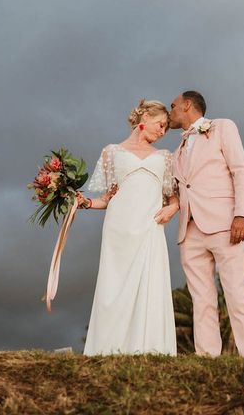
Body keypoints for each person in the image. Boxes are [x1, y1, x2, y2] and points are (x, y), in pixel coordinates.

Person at [76, 99, 179, 355]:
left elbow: (173, 196)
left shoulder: (165, 157)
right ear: (144, 117)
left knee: (150, 285)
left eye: (166, 128)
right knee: (114, 285)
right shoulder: (111, 152)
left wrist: (173, 208)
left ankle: (149, 349)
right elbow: (106, 198)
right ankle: (108, 348)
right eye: (160, 124)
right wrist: (84, 202)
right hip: (119, 228)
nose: (163, 131)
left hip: (149, 226)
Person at [169, 90, 244, 358]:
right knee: (201, 298)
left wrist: (242, 214)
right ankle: (208, 357)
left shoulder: (222, 127)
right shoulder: (175, 153)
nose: (169, 111)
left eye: (173, 105)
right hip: (190, 230)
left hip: (224, 224)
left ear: (187, 105)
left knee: (236, 291)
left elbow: (240, 170)